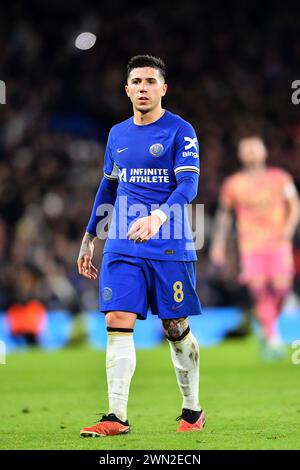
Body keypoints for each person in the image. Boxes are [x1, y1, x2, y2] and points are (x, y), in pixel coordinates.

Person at [77, 55, 205, 436]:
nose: (144, 87)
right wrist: (89, 237)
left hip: (170, 242)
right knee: (117, 319)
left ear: (163, 89)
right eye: (137, 81)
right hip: (122, 242)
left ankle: (192, 410)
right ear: (127, 89)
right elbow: (108, 187)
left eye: (151, 81)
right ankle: (116, 417)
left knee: (174, 326)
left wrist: (158, 217)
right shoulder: (117, 134)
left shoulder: (180, 131)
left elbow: (189, 185)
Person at [210, 136, 300, 358]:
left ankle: (269, 328)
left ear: (263, 152)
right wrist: (218, 244)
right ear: (240, 155)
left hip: (278, 242)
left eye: (254, 148)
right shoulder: (233, 184)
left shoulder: (280, 178)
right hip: (250, 245)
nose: (251, 152)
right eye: (246, 149)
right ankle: (272, 336)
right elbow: (224, 214)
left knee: (281, 288)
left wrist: (289, 229)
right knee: (259, 291)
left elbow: (294, 204)